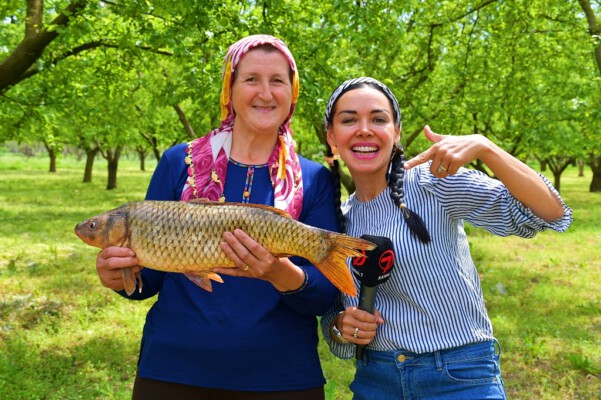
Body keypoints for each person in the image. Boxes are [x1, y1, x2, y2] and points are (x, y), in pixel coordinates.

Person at [95, 34, 340, 400]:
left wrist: (277, 271)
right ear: (230, 87)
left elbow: (322, 297)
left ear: (293, 91)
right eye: (251, 79)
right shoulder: (179, 163)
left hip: (282, 375)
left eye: (277, 80)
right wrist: (121, 276)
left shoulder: (314, 178)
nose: (265, 92)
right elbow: (150, 279)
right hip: (175, 370)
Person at [320, 77, 573, 400]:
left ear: (396, 132)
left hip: (459, 377)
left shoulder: (433, 184)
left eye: (379, 119)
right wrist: (342, 327)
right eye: (349, 119)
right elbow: (332, 318)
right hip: (375, 381)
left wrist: (487, 148)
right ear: (332, 137)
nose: (365, 129)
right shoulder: (337, 220)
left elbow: (548, 213)